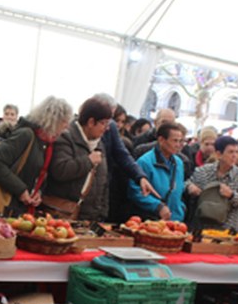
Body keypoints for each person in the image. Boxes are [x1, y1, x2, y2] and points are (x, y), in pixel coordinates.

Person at [0, 96, 73, 216]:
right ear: (54, 120)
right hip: (4, 206)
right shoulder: (26, 135)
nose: (66, 127)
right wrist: (21, 190)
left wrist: (38, 192)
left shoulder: (46, 143)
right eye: (64, 122)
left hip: (21, 209)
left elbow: (38, 173)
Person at [90, 93, 157, 224]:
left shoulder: (112, 128)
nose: (109, 124)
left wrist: (140, 177)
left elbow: (122, 155)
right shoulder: (74, 129)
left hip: (102, 189)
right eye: (106, 119)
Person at [44, 97, 111, 221]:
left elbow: (104, 182)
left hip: (90, 217)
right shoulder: (66, 137)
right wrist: (88, 161)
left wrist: (102, 213)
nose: (107, 128)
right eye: (103, 123)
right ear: (91, 122)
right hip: (62, 214)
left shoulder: (99, 144)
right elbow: (60, 170)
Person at [189, 136, 238, 232]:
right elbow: (186, 183)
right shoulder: (204, 171)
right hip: (201, 228)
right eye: (231, 152)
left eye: (237, 152)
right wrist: (189, 187)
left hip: (227, 231)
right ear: (218, 154)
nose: (235, 155)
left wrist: (232, 195)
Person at [129, 123, 187, 221]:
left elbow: (178, 191)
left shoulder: (179, 163)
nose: (178, 145)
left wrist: (181, 208)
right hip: (152, 219)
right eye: (174, 141)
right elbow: (135, 192)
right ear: (161, 140)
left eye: (180, 141)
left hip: (175, 221)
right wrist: (158, 207)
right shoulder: (145, 162)